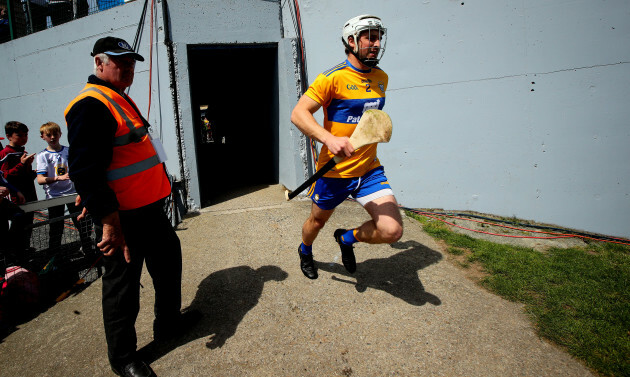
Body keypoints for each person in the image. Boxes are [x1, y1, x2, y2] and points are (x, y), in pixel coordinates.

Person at [65, 36, 199, 377]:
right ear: (99, 63)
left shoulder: (117, 98)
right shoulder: (92, 104)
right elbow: (84, 168)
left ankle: (168, 323)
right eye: (118, 61)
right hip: (121, 219)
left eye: (131, 62)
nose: (127, 67)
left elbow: (108, 158)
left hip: (149, 210)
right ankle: (123, 358)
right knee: (122, 288)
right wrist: (108, 221)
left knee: (168, 264)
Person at [290, 15, 403, 280]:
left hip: (369, 169)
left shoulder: (381, 78)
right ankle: (305, 250)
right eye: (370, 37)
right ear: (351, 41)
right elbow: (299, 113)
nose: (376, 43)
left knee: (392, 230)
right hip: (335, 172)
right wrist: (327, 139)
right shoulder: (332, 78)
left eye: (378, 37)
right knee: (316, 222)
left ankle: (346, 239)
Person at [36, 121, 93, 253]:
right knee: (56, 227)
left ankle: (87, 247)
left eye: (55, 134)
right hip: (54, 196)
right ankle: (54, 255)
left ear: (60, 134)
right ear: (42, 137)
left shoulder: (69, 151)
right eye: (49, 135)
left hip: (72, 194)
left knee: (82, 223)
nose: (52, 137)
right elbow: (40, 179)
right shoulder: (42, 156)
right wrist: (57, 178)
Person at [0, 121, 37, 254]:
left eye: (26, 135)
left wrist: (32, 171)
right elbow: (5, 177)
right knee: (18, 225)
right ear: (9, 136)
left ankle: (24, 249)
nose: (24, 138)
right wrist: (22, 164)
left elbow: (23, 176)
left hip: (28, 194)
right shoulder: (6, 153)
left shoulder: (23, 152)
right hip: (17, 197)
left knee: (28, 224)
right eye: (19, 135)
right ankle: (14, 253)